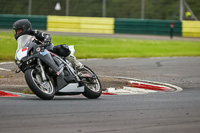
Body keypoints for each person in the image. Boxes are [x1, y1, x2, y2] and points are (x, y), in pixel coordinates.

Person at [13, 19, 83, 70]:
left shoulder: (34, 33)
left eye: (19, 30)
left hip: (46, 49)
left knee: (60, 48)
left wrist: (46, 40)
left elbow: (46, 35)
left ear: (25, 28)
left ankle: (75, 63)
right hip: (35, 55)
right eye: (17, 31)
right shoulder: (22, 41)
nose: (18, 33)